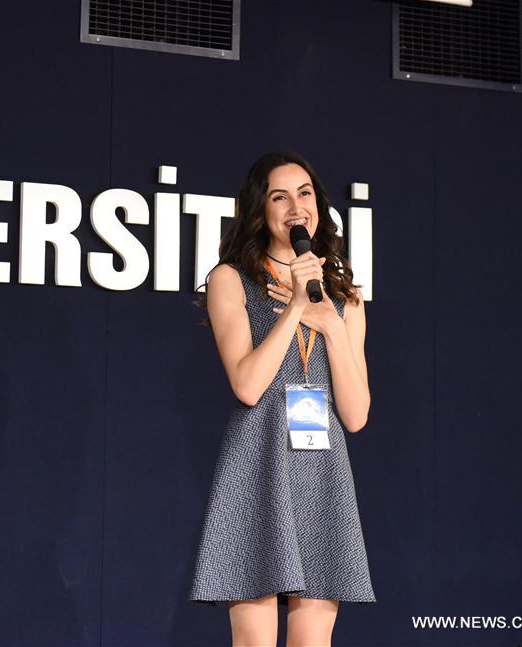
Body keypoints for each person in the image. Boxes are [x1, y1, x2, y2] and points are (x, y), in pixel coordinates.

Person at [188, 151, 376, 647]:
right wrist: (294, 307)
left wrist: (331, 321)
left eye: (305, 193)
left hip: (322, 471)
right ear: (259, 209)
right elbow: (247, 385)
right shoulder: (232, 280)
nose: (296, 206)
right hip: (258, 465)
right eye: (280, 196)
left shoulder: (344, 296)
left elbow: (355, 415)